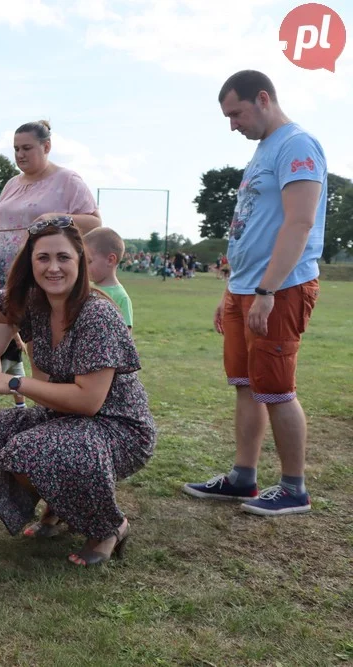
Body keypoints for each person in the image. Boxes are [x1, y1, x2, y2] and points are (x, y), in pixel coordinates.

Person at [0, 207, 156, 566]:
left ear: (80, 262)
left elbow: (89, 401)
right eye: (43, 257)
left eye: (63, 257)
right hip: (68, 420)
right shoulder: (33, 304)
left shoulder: (97, 314)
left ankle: (109, 526)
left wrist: (16, 382)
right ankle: (60, 510)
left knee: (32, 449)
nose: (53, 267)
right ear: (31, 263)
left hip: (118, 427)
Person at [183, 70, 326, 516]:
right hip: (245, 288)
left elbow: (299, 223)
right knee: (247, 385)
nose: (232, 125)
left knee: (277, 389)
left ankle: (293, 488)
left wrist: (266, 289)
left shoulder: (297, 144)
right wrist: (233, 288)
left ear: (263, 99)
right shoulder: (265, 150)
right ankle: (244, 478)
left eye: (236, 113)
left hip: (279, 287)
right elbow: (254, 225)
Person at [0, 120, 102, 444]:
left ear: (46, 146)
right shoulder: (11, 184)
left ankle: (43, 427)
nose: (20, 154)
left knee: (38, 355)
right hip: (2, 277)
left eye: (27, 148)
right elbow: (10, 227)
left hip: (42, 281)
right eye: (16, 149)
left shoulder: (67, 180)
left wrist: (56, 220)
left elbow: (94, 221)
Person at [84, 227, 133, 328]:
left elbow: (126, 337)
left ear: (110, 260)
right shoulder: (86, 287)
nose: (84, 267)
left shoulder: (121, 298)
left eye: (89, 261)